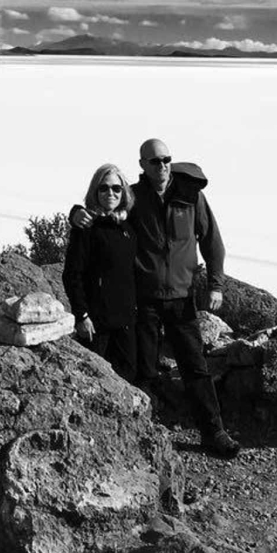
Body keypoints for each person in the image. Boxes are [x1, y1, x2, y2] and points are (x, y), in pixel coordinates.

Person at [72, 138, 240, 459]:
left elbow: (213, 242)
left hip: (182, 297)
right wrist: (76, 212)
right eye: (154, 161)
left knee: (195, 368)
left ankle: (214, 432)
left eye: (166, 160)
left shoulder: (191, 196)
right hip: (144, 299)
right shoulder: (135, 198)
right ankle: (145, 438)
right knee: (144, 370)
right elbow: (105, 212)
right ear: (142, 166)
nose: (161, 166)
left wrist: (215, 285)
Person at [62, 163, 139, 382]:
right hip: (95, 325)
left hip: (126, 323)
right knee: (94, 383)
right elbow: (71, 274)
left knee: (127, 381)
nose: (110, 193)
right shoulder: (86, 227)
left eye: (116, 188)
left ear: (124, 192)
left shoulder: (128, 228)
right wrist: (82, 315)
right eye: (103, 188)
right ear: (95, 191)